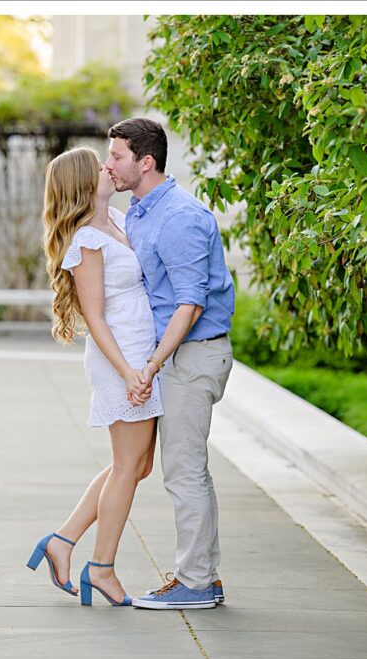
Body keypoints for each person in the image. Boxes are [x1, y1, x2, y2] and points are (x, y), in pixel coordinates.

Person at [104, 117, 236, 610]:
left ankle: (196, 583)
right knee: (178, 468)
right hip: (174, 355)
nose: (108, 164)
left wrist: (153, 364)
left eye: (116, 156)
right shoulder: (139, 211)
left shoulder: (179, 217)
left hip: (191, 355)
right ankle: (203, 578)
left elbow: (190, 303)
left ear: (146, 162)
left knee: (184, 471)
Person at [26, 146, 163, 607]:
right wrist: (128, 372)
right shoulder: (86, 240)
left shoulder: (119, 220)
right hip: (120, 359)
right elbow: (95, 316)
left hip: (140, 355)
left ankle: (62, 541)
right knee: (128, 466)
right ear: (84, 183)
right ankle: (101, 568)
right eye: (99, 166)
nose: (108, 168)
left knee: (138, 465)